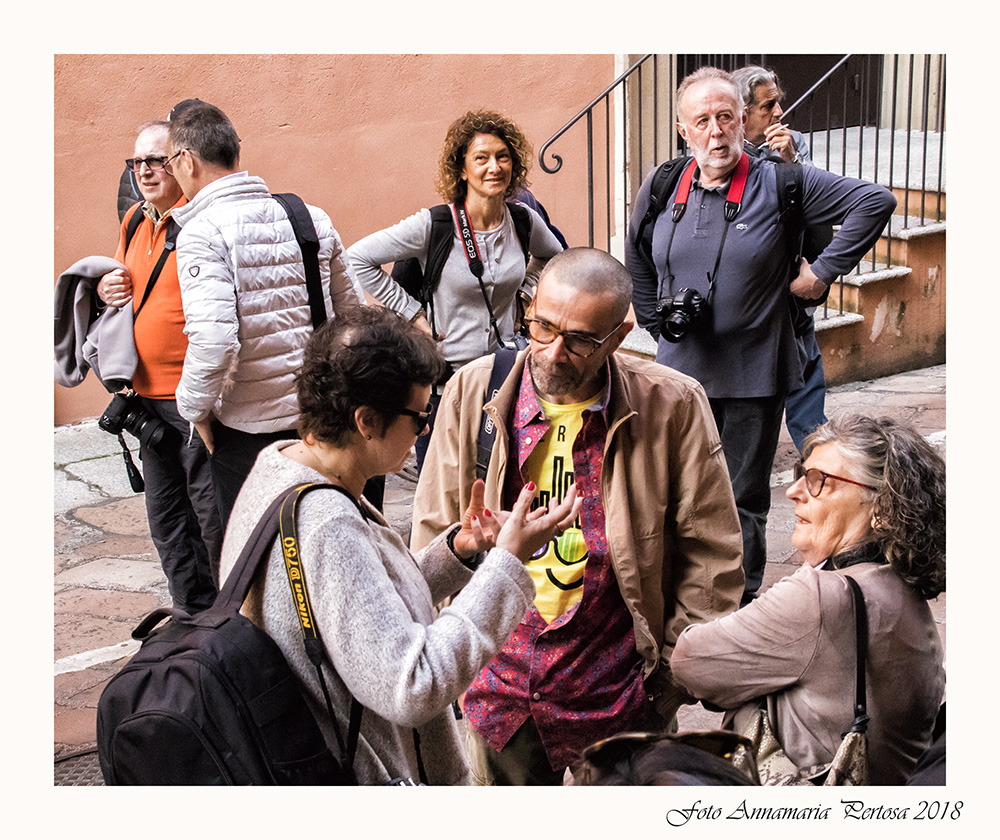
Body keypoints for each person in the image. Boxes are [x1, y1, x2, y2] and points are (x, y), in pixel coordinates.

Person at [412, 247, 744, 785]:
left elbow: (712, 558)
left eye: (581, 339)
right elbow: (431, 531)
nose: (553, 352)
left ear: (617, 335)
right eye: (542, 326)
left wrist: (667, 686)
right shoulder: (474, 391)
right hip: (500, 698)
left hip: (618, 700)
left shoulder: (673, 405)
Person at [217, 307, 582, 785]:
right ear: (367, 421)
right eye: (418, 416)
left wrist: (460, 550)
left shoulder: (286, 465)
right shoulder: (326, 519)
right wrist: (507, 566)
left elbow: (357, 610)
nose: (425, 429)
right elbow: (412, 684)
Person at [626, 67, 896, 605]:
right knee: (671, 494)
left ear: (741, 122)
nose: (716, 132)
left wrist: (822, 273)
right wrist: (655, 319)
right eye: (702, 121)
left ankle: (737, 603)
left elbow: (876, 201)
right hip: (678, 378)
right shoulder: (662, 185)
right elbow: (636, 252)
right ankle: (678, 600)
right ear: (684, 130)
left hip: (754, 374)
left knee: (742, 499)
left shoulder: (778, 181)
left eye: (726, 117)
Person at [671, 414, 946, 785]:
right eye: (802, 472)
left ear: (880, 509)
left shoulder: (819, 596)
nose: (794, 490)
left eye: (819, 481)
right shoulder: (900, 583)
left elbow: (691, 661)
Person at [164, 101, 365, 526]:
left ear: (186, 160)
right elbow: (353, 319)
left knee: (256, 562)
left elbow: (215, 342)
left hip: (248, 436)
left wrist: (193, 409)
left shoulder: (202, 233)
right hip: (322, 421)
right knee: (325, 546)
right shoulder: (311, 216)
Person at [346, 109, 564, 472]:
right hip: (446, 385)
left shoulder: (523, 220)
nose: (494, 167)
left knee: (499, 485)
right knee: (444, 494)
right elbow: (358, 259)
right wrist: (416, 316)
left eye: (502, 157)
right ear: (462, 169)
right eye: (481, 158)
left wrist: (526, 293)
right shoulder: (435, 225)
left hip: (504, 380)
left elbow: (555, 260)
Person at [95, 120, 222, 613]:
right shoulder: (135, 222)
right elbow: (122, 283)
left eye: (155, 160)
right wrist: (108, 288)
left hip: (193, 401)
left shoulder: (201, 225)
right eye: (137, 163)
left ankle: (231, 622)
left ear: (180, 163)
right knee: (166, 518)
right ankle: (193, 613)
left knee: (211, 517)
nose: (144, 171)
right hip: (145, 400)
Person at [732, 64, 828, 454]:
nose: (778, 114)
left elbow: (814, 207)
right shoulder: (722, 152)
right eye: (768, 106)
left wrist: (790, 163)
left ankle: (822, 462)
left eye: (778, 103)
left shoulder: (793, 144)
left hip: (790, 289)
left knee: (807, 386)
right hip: (750, 299)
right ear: (743, 114)